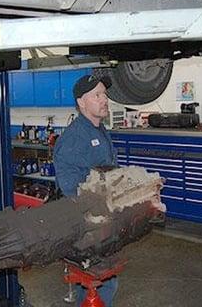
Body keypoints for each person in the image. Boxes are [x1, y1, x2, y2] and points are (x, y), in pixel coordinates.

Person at [53, 74, 118, 306]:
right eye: (97, 95)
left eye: (105, 94)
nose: (105, 100)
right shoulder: (74, 138)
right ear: (81, 102)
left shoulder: (99, 130)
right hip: (85, 225)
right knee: (102, 282)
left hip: (103, 221)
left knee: (103, 282)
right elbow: (70, 188)